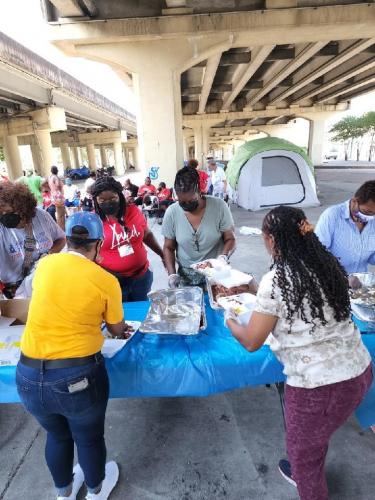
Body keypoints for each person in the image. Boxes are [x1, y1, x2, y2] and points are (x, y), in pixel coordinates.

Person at [226, 206, 372, 500]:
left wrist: (227, 316)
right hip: (360, 371)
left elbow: (252, 341)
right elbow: (293, 300)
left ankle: (305, 473)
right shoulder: (328, 264)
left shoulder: (277, 280)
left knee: (303, 456)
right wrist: (254, 288)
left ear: (270, 240)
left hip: (318, 390)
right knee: (315, 437)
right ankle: (306, 461)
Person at [16, 212, 126, 500]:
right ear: (98, 243)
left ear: (69, 239)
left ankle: (63, 495)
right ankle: (95, 491)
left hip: (27, 375)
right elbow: (116, 329)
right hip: (76, 378)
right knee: (88, 439)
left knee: (56, 435)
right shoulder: (105, 280)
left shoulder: (45, 265)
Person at [91, 176, 164, 301]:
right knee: (121, 316)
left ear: (119, 195)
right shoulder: (93, 221)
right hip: (112, 281)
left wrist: (162, 255)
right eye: (102, 200)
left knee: (141, 312)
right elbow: (87, 253)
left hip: (141, 277)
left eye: (112, 198)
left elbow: (147, 235)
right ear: (95, 200)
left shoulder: (133, 211)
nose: (108, 202)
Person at [162, 167, 236, 287]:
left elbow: (230, 239)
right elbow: (168, 247)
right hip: (186, 276)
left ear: (199, 190)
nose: (186, 205)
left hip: (216, 272)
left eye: (191, 200)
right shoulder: (172, 213)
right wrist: (172, 274)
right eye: (181, 202)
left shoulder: (219, 207)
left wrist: (223, 257)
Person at [0, 182, 66, 298]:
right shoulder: (2, 229)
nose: (4, 216)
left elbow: (61, 239)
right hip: (17, 293)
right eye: (1, 213)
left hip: (48, 283)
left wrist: (48, 254)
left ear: (23, 208)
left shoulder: (41, 216)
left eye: (9, 212)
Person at [315, 180, 375, 275]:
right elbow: (317, 252)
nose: (371, 217)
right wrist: (341, 277)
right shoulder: (332, 216)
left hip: (361, 283)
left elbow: (372, 258)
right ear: (355, 201)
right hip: (332, 280)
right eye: (367, 212)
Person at [48, 166, 65, 230]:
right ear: (56, 171)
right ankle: (62, 228)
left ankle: (60, 228)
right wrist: (61, 185)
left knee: (58, 213)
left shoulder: (50, 177)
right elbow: (58, 185)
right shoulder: (55, 177)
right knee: (61, 214)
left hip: (53, 196)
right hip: (58, 196)